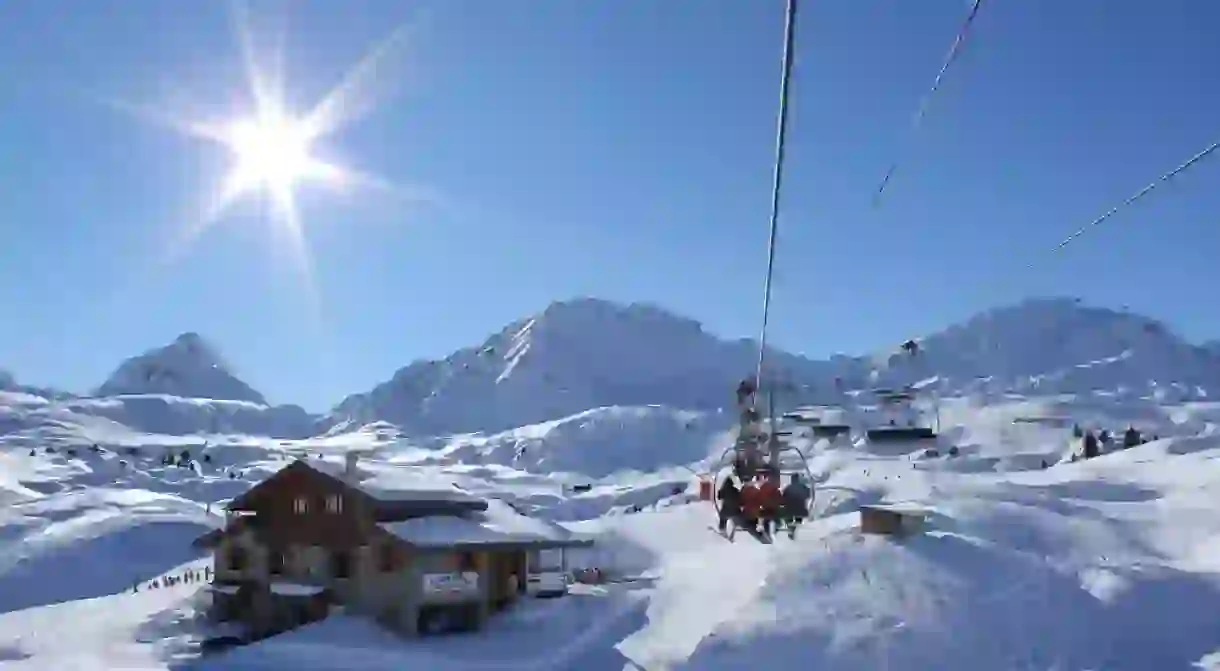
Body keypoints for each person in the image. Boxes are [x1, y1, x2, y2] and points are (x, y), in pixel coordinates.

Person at [781, 473, 811, 538]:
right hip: (801, 510)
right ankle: (795, 527)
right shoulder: (803, 487)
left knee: (787, 516)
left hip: (789, 510)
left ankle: (790, 528)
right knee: (798, 516)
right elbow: (809, 495)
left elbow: (782, 499)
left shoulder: (788, 488)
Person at [758, 472, 783, 537]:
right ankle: (774, 529)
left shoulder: (761, 488)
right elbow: (780, 500)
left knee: (761, 514)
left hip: (765, 510)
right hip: (774, 510)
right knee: (779, 523)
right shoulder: (775, 488)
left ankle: (760, 526)